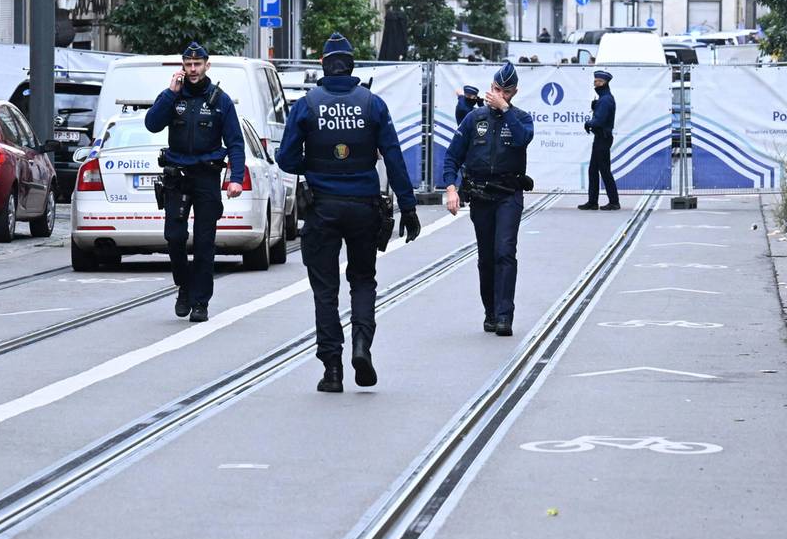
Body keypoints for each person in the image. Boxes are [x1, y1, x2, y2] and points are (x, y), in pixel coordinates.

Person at [277, 33, 421, 393]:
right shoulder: (372, 104)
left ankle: (332, 370)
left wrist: (315, 161)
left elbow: (286, 159)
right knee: (362, 279)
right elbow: (394, 157)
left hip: (322, 207)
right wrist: (408, 206)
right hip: (363, 207)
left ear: (323, 66)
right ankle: (361, 345)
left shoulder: (307, 105)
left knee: (325, 290)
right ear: (352, 65)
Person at [144, 41, 246, 322]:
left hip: (207, 177)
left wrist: (235, 178)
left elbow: (236, 143)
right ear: (182, 66)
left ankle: (200, 301)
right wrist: (169, 93)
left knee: (204, 242)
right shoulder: (173, 97)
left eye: (197, 65)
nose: (192, 70)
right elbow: (152, 124)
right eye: (188, 65)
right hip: (177, 176)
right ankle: (184, 286)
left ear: (206, 66)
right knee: (174, 237)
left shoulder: (219, 100)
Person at [442, 62, 535, 337]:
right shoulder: (474, 119)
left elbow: (522, 140)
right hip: (481, 195)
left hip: (508, 194)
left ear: (513, 93)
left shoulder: (521, 118)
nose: (499, 95)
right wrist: (451, 188)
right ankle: (491, 312)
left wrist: (506, 111)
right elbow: (452, 156)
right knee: (486, 257)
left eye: (505, 92)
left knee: (504, 252)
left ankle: (505, 315)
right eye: (496, 89)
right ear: (490, 87)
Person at [579, 70, 620, 211]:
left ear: (605, 83)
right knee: (594, 170)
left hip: (603, 138)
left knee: (604, 170)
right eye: (595, 81)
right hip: (601, 138)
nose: (595, 84)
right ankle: (593, 201)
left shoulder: (605, 100)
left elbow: (599, 121)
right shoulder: (604, 98)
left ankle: (613, 201)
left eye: (598, 82)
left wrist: (588, 123)